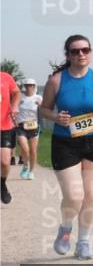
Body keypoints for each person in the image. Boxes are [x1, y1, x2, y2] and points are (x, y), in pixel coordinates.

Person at [40, 35, 93, 260]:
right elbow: (44, 110)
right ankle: (65, 229)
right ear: (68, 55)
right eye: (75, 51)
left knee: (90, 196)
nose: (81, 54)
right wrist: (56, 117)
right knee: (74, 196)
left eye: (85, 50)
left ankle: (84, 241)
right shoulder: (56, 80)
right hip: (65, 143)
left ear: (90, 52)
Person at [15, 78, 43, 180]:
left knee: (33, 150)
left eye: (31, 85)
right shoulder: (20, 97)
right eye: (26, 85)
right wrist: (15, 119)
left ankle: (31, 171)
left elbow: (46, 109)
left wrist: (40, 105)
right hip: (21, 125)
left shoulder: (38, 97)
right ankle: (25, 165)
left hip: (34, 125)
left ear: (34, 86)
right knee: (25, 149)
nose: (28, 87)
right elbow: (14, 108)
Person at [1, 70, 21, 205]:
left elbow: (17, 93)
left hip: (5, 125)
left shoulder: (5, 77)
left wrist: (14, 106)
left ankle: (2, 183)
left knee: (5, 162)